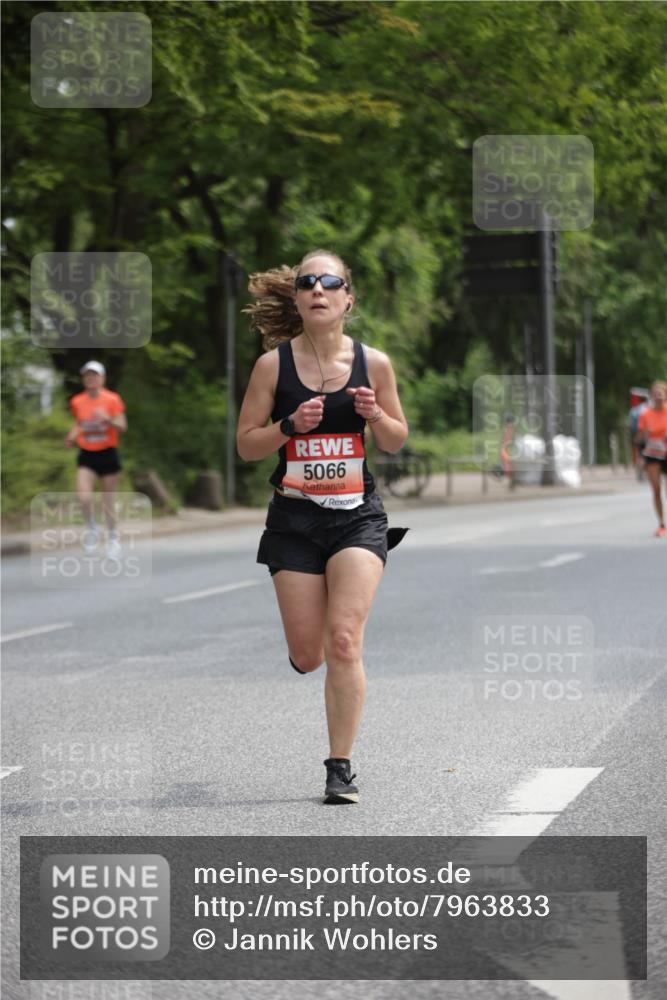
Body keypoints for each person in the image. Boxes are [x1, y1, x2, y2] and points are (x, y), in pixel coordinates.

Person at [237, 249, 409, 804]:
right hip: (294, 519)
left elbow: (395, 439)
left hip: (357, 516)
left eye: (329, 282)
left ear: (347, 298)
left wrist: (375, 416)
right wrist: (290, 425)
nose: (317, 289)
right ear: (297, 297)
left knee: (344, 639)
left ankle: (340, 767)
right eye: (307, 282)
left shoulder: (373, 364)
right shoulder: (273, 367)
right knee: (310, 654)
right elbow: (245, 445)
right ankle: (303, 648)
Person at [65, 361, 128, 559]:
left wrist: (108, 419)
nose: (91, 379)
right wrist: (72, 435)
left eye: (95, 375)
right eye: (87, 376)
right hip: (87, 453)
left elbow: (122, 427)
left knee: (107, 500)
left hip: (108, 453)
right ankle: (92, 528)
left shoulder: (112, 399)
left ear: (102, 379)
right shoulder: (77, 401)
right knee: (83, 496)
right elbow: (80, 424)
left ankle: (113, 540)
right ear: (84, 379)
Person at [635, 380, 667, 537]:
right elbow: (639, 438)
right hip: (652, 453)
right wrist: (645, 434)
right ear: (652, 396)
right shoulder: (645, 414)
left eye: (661, 393)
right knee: (656, 489)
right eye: (656, 394)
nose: (659, 396)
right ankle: (661, 524)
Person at [628, 388, 649, 481]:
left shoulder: (634, 410)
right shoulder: (649, 409)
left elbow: (632, 425)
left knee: (639, 453)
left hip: (637, 434)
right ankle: (644, 472)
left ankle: (639, 472)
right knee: (646, 454)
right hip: (647, 434)